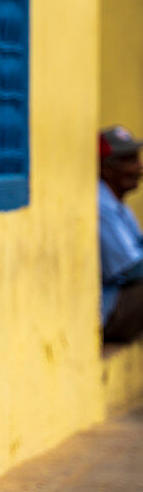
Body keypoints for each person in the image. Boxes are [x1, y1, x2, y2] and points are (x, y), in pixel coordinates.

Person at [99, 125, 143, 343]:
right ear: (107, 169)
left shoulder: (118, 203)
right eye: (130, 161)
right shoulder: (100, 206)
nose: (139, 168)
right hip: (108, 311)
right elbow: (132, 268)